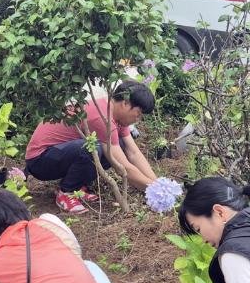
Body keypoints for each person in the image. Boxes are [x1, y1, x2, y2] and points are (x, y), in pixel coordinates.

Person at [25, 81, 157, 214]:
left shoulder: (115, 115)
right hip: (40, 161)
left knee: (120, 144)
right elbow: (122, 167)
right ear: (125, 103)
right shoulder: (102, 117)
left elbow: (133, 152)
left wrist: (157, 183)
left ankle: (77, 186)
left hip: (60, 153)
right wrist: (154, 189)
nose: (138, 119)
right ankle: (66, 193)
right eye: (138, 114)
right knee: (93, 147)